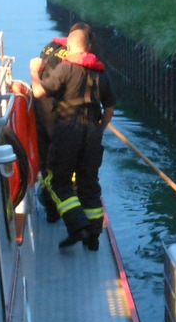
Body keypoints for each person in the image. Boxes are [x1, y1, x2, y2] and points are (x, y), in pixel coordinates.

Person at [29, 26, 115, 252]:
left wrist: (33, 72)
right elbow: (109, 107)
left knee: (58, 182)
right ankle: (93, 239)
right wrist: (101, 128)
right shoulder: (102, 72)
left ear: (68, 48)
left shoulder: (66, 69)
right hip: (92, 133)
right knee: (89, 184)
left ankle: (77, 226)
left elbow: (39, 93)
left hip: (68, 131)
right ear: (88, 48)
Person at [33, 22, 92, 223]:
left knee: (47, 161)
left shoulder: (49, 47)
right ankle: (70, 207)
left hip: (40, 111)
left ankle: (51, 210)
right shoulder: (76, 59)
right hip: (60, 116)